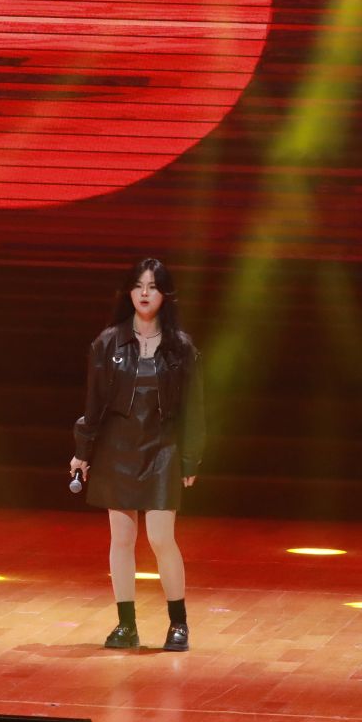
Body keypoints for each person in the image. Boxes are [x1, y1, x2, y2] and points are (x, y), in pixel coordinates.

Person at [70, 257, 206, 651]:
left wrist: (190, 457)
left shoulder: (181, 347)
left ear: (165, 294)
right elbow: (94, 402)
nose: (145, 293)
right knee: (122, 539)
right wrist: (83, 450)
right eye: (138, 286)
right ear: (129, 292)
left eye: (153, 286)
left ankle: (178, 623)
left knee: (161, 538)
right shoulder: (108, 342)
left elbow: (194, 408)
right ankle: (126, 624)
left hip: (162, 447)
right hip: (116, 448)